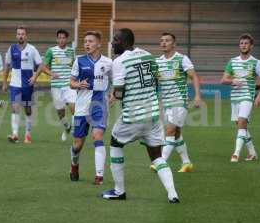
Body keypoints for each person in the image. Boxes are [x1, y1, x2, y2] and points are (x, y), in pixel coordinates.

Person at [101, 28, 179, 203]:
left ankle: (119, 191)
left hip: (133, 116)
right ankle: (172, 194)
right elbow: (156, 80)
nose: (112, 43)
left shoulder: (120, 61)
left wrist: (114, 96)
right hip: (153, 115)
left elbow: (119, 90)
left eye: (115, 39)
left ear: (124, 42)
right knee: (156, 156)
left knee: (115, 142)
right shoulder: (148, 55)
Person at [152, 32, 201, 173]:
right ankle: (186, 163)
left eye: (167, 40)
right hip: (166, 103)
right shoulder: (158, 62)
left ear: (174, 44)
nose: (163, 43)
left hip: (179, 101)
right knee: (176, 133)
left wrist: (197, 95)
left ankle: (160, 162)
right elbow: (154, 82)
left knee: (170, 130)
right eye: (161, 40)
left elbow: (194, 76)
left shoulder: (182, 59)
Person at [69, 31, 112, 185]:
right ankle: (74, 165)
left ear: (99, 44)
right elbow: (71, 82)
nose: (87, 44)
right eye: (85, 41)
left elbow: (114, 81)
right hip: (81, 107)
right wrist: (78, 84)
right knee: (77, 145)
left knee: (98, 136)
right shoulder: (79, 60)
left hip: (99, 104)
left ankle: (99, 176)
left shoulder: (108, 62)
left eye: (90, 41)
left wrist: (112, 95)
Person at [221, 33, 260, 162]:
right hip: (235, 98)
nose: (243, 45)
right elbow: (223, 79)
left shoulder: (256, 62)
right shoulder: (232, 61)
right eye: (241, 43)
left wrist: (258, 96)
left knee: (241, 122)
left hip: (247, 97)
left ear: (251, 46)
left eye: (246, 43)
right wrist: (232, 81)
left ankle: (236, 154)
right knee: (241, 126)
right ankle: (252, 153)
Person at [30, 29, 76, 141]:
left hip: (69, 85)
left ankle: (76, 131)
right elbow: (43, 66)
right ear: (57, 39)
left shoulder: (71, 51)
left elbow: (75, 67)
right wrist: (37, 77)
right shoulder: (51, 51)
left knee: (74, 108)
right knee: (61, 113)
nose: (61, 40)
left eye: (63, 37)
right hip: (56, 86)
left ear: (67, 39)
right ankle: (67, 127)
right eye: (59, 38)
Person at [3, 26, 43, 143]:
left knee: (27, 109)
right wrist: (5, 82)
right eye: (18, 34)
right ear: (16, 36)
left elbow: (40, 65)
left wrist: (35, 77)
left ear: (26, 36)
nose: (20, 36)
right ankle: (15, 134)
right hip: (15, 84)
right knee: (15, 107)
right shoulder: (11, 49)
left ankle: (28, 133)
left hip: (27, 85)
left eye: (22, 34)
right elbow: (7, 65)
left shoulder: (32, 49)